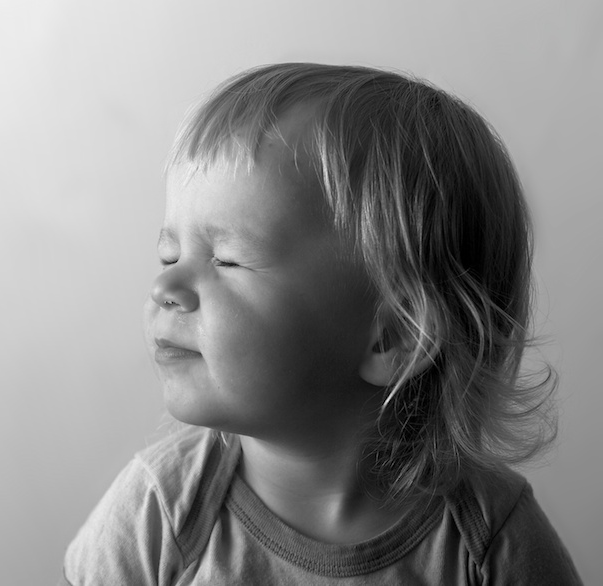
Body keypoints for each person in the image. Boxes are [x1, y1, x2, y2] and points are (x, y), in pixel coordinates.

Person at [59, 63, 582, 584]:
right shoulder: (157, 515)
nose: (164, 287)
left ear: (397, 334)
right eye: (170, 255)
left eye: (226, 260)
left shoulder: (492, 545)